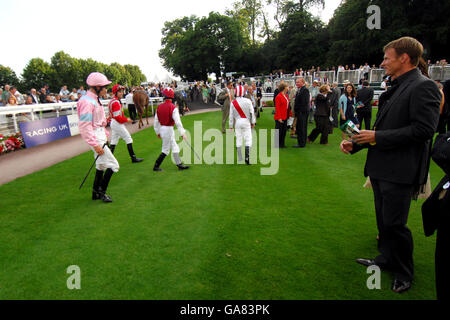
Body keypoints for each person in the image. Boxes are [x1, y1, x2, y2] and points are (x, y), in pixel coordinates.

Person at [340, 37, 441, 293]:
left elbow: (424, 130)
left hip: (401, 170)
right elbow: (383, 130)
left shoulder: (423, 86)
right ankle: (385, 258)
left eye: (387, 58)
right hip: (381, 167)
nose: (383, 63)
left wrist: (376, 137)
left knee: (396, 225)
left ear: (404, 58)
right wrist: (359, 143)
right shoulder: (397, 86)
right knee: (384, 223)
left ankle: (404, 272)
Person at [77, 72, 119, 203]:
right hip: (95, 136)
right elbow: (85, 126)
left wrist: (106, 134)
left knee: (100, 165)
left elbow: (100, 121)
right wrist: (94, 144)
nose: (106, 89)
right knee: (114, 165)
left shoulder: (95, 100)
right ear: (96, 87)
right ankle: (102, 193)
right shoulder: (86, 101)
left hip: (99, 134)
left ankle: (95, 193)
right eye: (105, 87)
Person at [153, 88, 189, 172]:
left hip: (162, 129)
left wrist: (157, 132)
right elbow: (178, 122)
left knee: (174, 146)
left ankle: (179, 164)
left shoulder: (159, 107)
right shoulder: (173, 107)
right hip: (168, 129)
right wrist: (182, 133)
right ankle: (156, 166)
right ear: (172, 97)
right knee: (166, 150)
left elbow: (156, 122)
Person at [108, 84, 143, 163]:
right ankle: (133, 158)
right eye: (120, 92)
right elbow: (117, 117)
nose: (122, 93)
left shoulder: (113, 101)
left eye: (122, 91)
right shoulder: (116, 102)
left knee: (114, 141)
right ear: (115, 92)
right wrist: (126, 120)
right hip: (117, 123)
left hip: (114, 123)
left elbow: (114, 115)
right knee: (128, 138)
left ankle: (108, 159)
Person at [230, 85, 256, 164]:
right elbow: (252, 112)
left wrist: (230, 126)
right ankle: (247, 158)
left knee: (238, 139)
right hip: (246, 121)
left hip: (237, 122)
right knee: (248, 139)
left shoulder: (233, 103)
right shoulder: (248, 101)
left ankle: (240, 157)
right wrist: (253, 122)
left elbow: (231, 116)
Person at [293, 78, 310, 148]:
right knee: (299, 128)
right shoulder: (299, 90)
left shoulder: (305, 90)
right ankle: (301, 142)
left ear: (302, 82)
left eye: (298, 82)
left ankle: (302, 143)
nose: (297, 84)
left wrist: (299, 111)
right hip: (299, 112)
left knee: (302, 128)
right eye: (296, 82)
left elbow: (304, 102)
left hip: (302, 112)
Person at [274, 82, 291, 149]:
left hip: (285, 115)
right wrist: (279, 117)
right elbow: (277, 108)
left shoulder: (286, 96)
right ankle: (276, 144)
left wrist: (289, 114)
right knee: (278, 131)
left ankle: (282, 144)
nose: (288, 88)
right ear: (284, 88)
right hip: (280, 116)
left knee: (283, 131)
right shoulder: (278, 96)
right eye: (287, 87)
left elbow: (288, 106)